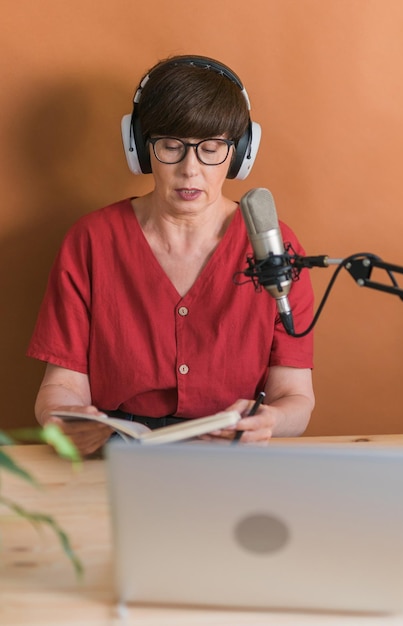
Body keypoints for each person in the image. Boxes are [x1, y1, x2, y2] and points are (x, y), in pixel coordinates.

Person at [27, 54, 315, 456]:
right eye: (170, 146)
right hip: (118, 453)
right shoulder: (90, 240)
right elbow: (60, 386)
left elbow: (295, 399)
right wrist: (66, 419)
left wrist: (270, 421)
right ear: (141, 148)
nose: (190, 169)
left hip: (231, 456)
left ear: (241, 153)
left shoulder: (274, 246)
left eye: (211, 148)